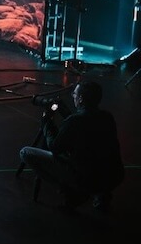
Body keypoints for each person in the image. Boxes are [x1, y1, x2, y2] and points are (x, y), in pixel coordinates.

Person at [19, 80, 125, 211]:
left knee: (26, 153)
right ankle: (101, 194)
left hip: (85, 177)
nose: (72, 96)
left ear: (80, 99)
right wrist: (65, 112)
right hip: (113, 176)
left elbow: (54, 147)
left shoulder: (74, 121)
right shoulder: (107, 117)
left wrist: (46, 121)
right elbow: (82, 127)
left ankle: (73, 192)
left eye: (74, 94)